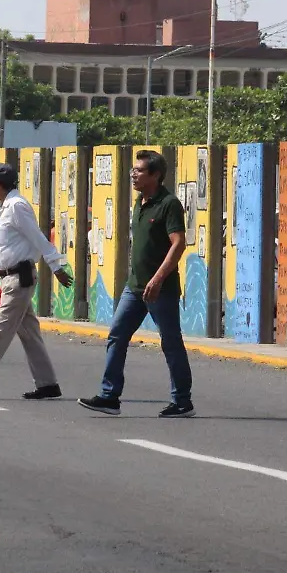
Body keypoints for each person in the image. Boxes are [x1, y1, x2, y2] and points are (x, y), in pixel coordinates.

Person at [78, 149, 194, 418]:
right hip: (135, 287)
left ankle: (182, 401)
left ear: (155, 175)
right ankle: (109, 396)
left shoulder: (169, 204)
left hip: (161, 288)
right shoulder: (139, 203)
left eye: (139, 170)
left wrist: (157, 278)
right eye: (133, 169)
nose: (133, 174)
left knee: (171, 342)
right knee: (117, 335)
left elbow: (178, 244)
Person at [0, 163, 74, 400]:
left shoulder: (17, 207)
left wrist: (56, 267)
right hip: (10, 278)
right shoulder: (4, 207)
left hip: (19, 278)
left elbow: (38, 238)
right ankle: (48, 384)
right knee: (29, 333)